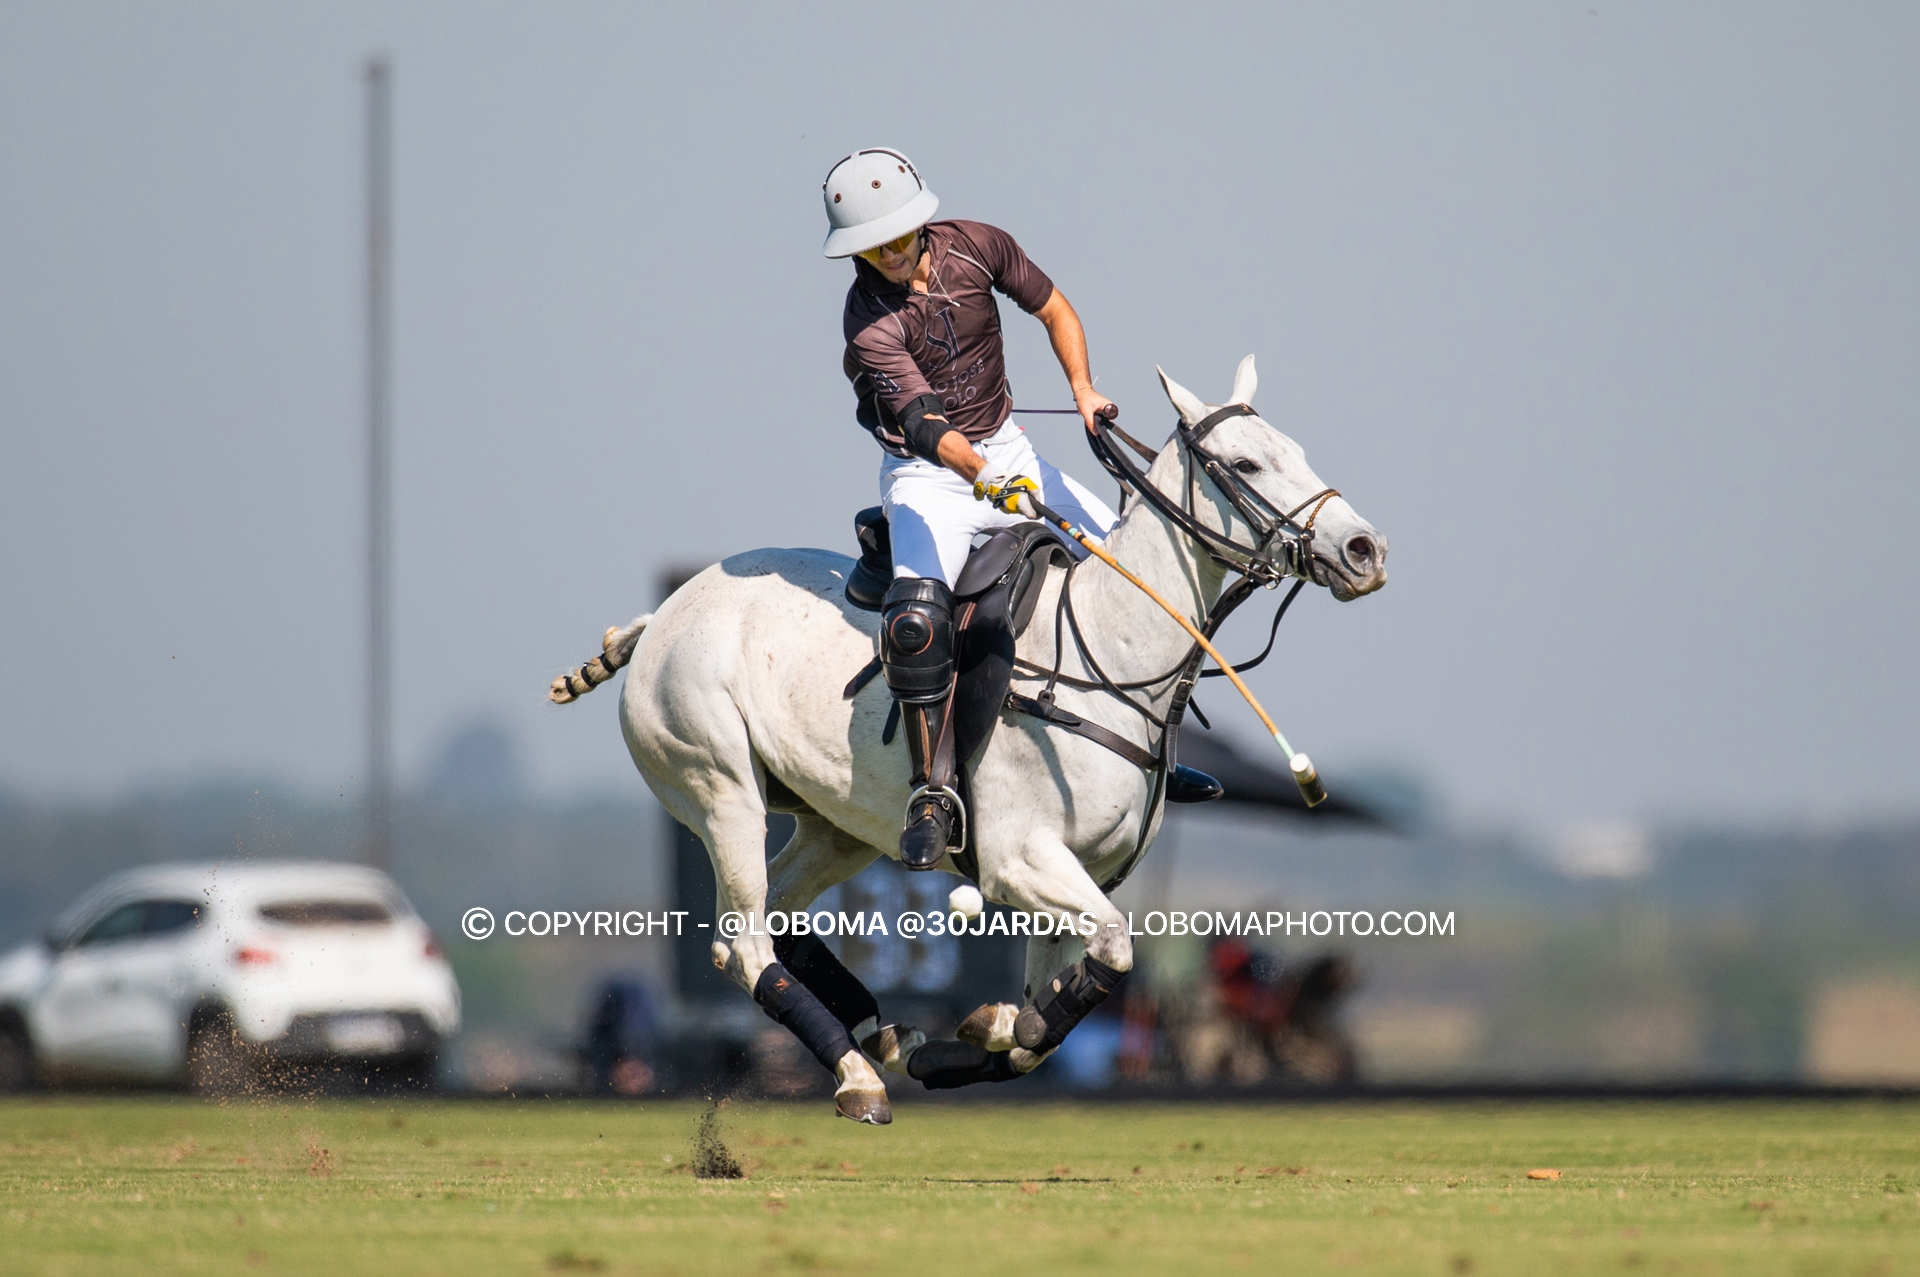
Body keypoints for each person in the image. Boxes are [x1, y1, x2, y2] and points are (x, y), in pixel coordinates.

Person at [823, 147, 1129, 870]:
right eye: (870, 249)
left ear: (920, 223)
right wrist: (982, 477)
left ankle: (1159, 748)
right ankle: (933, 790)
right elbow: (927, 428)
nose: (889, 257)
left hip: (1010, 449)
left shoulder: (979, 245)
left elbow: (1053, 307)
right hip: (927, 479)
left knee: (1126, 568)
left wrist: (1084, 389)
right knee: (917, 622)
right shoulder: (866, 320)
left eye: (897, 238)